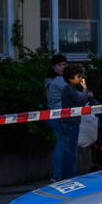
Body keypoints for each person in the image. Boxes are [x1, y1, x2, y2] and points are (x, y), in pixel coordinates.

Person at [55, 63, 88, 180]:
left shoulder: (69, 89)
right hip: (70, 124)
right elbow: (81, 101)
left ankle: (67, 176)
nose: (80, 79)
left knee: (69, 151)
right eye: (78, 76)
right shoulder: (69, 89)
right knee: (70, 152)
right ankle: (69, 176)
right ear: (70, 78)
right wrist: (85, 89)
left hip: (70, 123)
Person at [44, 53, 70, 181]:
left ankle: (58, 174)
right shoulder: (60, 81)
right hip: (59, 116)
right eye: (60, 65)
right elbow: (75, 93)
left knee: (61, 145)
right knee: (61, 145)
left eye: (65, 65)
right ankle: (58, 175)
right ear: (53, 67)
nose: (63, 67)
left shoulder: (49, 80)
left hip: (52, 115)